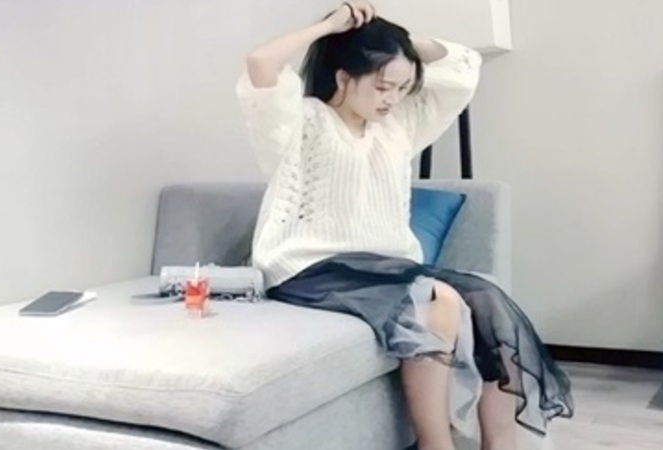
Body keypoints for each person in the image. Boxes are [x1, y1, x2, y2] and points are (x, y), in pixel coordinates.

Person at [235, 2, 574, 450]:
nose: (392, 98)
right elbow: (261, 62)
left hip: (383, 266)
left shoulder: (398, 126)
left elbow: (463, 64)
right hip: (307, 267)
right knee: (437, 299)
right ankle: (436, 445)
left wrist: (391, 38)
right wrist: (333, 26)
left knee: (491, 301)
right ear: (343, 77)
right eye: (382, 86)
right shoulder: (302, 121)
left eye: (401, 87)